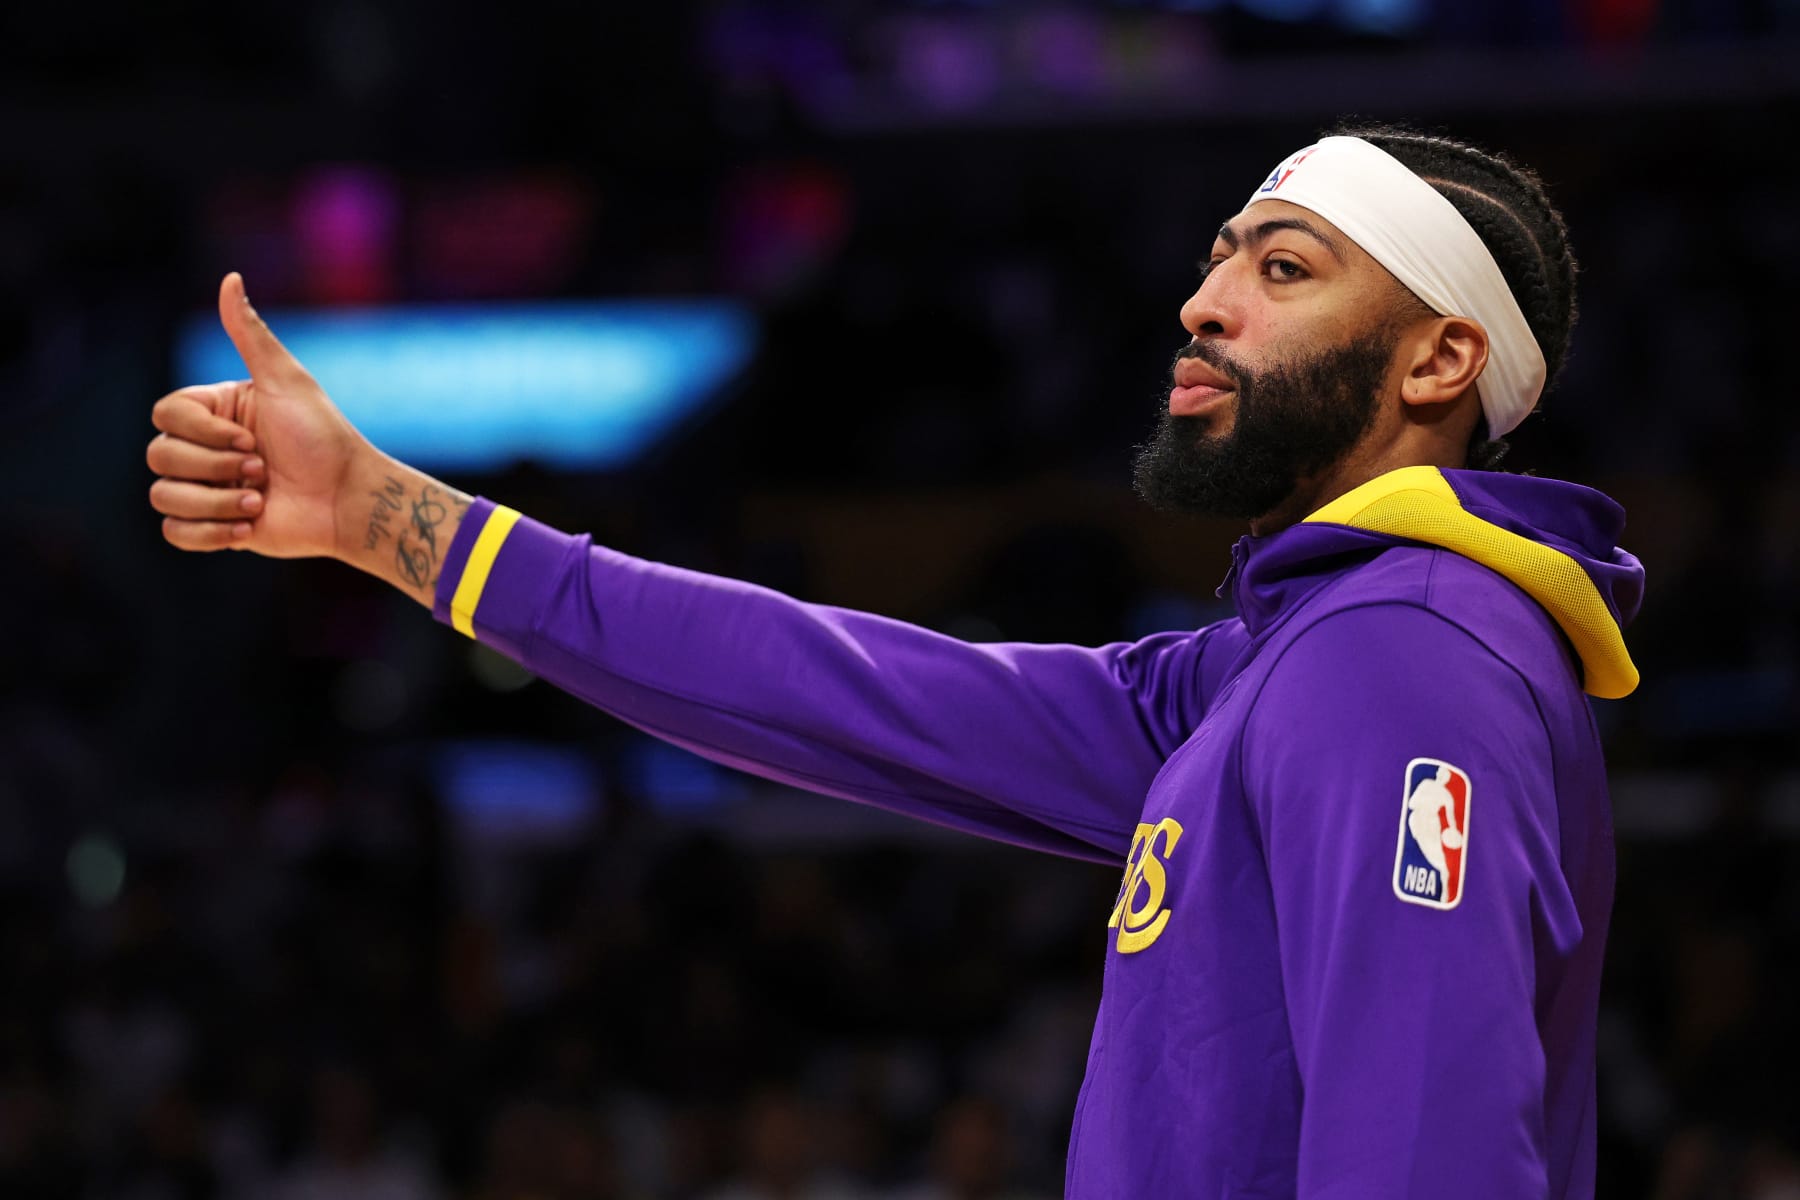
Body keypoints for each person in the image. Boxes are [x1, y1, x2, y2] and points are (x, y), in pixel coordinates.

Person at [145, 125, 1643, 1197]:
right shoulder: (1278, 665)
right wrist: (388, 520)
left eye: (1286, 266)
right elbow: (824, 685)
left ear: (1437, 363)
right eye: (1218, 258)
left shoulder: (1401, 664)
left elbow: (1430, 1155)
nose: (1205, 301)